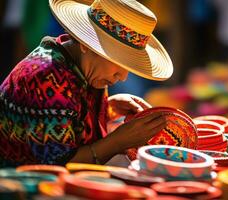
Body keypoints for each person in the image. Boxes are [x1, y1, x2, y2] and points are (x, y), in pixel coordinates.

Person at [0, 0, 173, 167]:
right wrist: (119, 141)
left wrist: (108, 109)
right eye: (119, 62)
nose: (123, 76)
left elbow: (65, 116)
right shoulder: (46, 78)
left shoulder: (84, 66)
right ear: (86, 43)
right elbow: (60, 165)